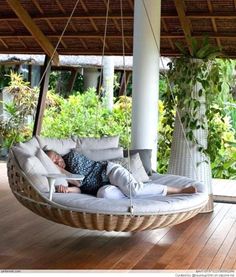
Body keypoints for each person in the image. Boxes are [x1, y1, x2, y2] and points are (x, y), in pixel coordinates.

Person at [45, 150, 197, 197]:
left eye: (57, 158)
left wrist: (57, 169)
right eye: (54, 162)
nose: (58, 162)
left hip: (109, 172)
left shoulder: (72, 157)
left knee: (135, 191)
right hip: (101, 188)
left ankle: (178, 190)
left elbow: (79, 181)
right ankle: (131, 191)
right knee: (104, 195)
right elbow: (79, 189)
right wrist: (66, 190)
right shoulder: (66, 174)